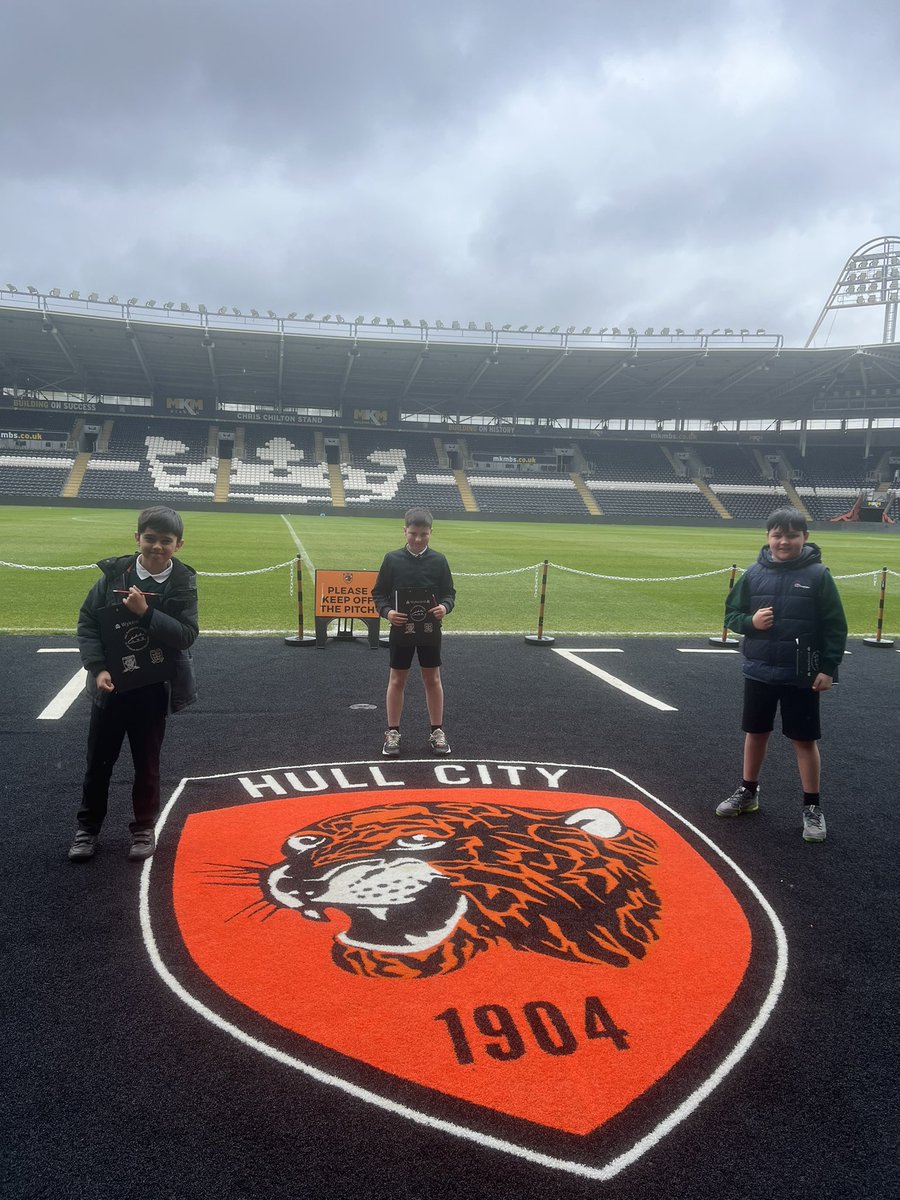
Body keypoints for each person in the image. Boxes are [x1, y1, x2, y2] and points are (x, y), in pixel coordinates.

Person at [68, 506, 199, 863]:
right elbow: (88, 622)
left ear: (179, 544)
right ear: (137, 538)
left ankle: (143, 828)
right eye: (151, 539)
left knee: (147, 763)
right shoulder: (113, 576)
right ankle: (87, 829)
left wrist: (147, 613)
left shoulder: (182, 582)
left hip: (153, 688)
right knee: (98, 762)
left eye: (166, 541)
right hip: (111, 687)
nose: (157, 547)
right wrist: (96, 669)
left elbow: (187, 635)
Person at [716, 507, 847, 842]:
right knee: (755, 732)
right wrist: (750, 623)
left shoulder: (818, 575)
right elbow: (731, 613)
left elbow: (835, 625)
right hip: (759, 669)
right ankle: (748, 792)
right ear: (768, 537)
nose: (784, 541)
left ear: (804, 537)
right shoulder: (754, 573)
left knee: (804, 740)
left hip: (800, 674)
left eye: (791, 535)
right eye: (778, 535)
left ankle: (812, 807)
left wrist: (828, 668)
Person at [371, 507, 456, 757]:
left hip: (430, 630)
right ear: (405, 531)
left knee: (433, 680)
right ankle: (393, 732)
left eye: (424, 534)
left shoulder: (439, 560)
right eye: (414, 533)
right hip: (401, 630)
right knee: (397, 680)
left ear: (431, 533)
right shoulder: (392, 559)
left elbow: (449, 593)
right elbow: (379, 593)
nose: (418, 539)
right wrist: (387, 612)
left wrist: (444, 607)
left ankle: (437, 732)